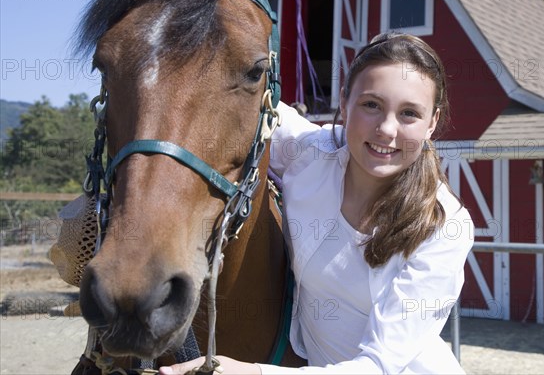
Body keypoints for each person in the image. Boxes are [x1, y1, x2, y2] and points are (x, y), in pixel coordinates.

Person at [160, 32, 474, 375]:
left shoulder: (443, 226)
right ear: (344, 102)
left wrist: (251, 372)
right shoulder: (312, 153)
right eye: (371, 104)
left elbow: (377, 367)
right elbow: (247, 94)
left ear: (432, 122)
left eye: (409, 113)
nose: (386, 129)